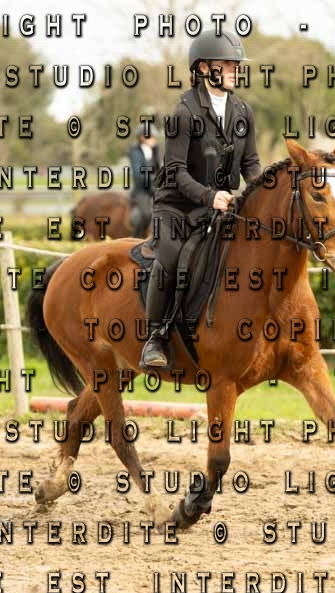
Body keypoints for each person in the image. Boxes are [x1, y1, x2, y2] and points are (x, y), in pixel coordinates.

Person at [139, 30, 262, 370]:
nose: (235, 69)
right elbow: (176, 171)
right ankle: (156, 337)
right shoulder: (183, 113)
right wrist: (209, 196)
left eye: (237, 64)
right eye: (228, 64)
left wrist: (262, 190)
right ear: (205, 68)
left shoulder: (243, 111)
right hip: (177, 207)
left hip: (221, 206)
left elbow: (251, 163)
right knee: (170, 258)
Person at [127, 122, 161, 237]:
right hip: (142, 191)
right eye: (152, 136)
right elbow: (138, 174)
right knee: (146, 214)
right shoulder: (135, 151)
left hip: (156, 189)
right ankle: (136, 238)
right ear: (142, 137)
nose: (154, 138)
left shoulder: (156, 150)